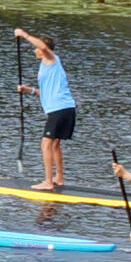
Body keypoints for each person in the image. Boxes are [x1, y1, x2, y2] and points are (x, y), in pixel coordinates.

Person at [14, 28, 77, 189]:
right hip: (66, 108)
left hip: (60, 109)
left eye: (37, 48)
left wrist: (24, 35)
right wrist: (29, 90)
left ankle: (48, 182)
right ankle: (59, 178)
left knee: (45, 145)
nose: (35, 50)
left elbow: (42, 47)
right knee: (55, 145)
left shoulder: (51, 59)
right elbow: (47, 92)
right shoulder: (46, 66)